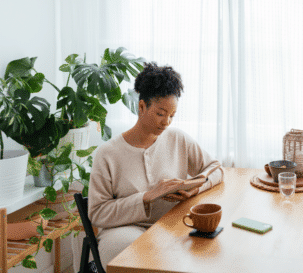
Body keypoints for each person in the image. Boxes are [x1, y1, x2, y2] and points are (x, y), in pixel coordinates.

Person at [88, 62, 224, 270]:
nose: (166, 122)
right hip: (123, 230)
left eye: (172, 115)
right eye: (161, 114)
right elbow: (97, 213)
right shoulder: (108, 154)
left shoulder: (178, 139)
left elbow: (215, 169)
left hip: (172, 223)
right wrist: (147, 197)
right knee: (135, 254)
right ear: (141, 106)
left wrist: (196, 187)